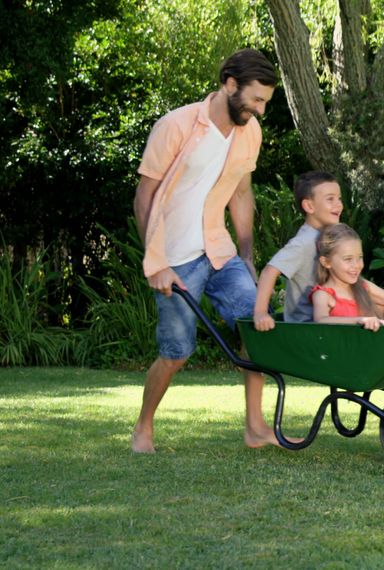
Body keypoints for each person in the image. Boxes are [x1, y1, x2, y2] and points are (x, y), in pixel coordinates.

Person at [132, 48, 279, 453]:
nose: (261, 110)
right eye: (256, 99)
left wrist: (246, 256)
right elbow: (144, 198)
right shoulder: (176, 126)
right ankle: (144, 426)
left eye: (265, 101)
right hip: (176, 260)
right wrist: (155, 262)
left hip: (220, 253)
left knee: (257, 326)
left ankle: (255, 427)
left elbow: (242, 191)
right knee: (176, 353)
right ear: (230, 85)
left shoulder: (250, 131)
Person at [252, 171, 342, 332]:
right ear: (309, 206)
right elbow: (269, 271)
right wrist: (260, 313)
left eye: (339, 198)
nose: (338, 204)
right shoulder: (304, 242)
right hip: (306, 326)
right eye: (330, 199)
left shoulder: (327, 236)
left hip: (327, 317)